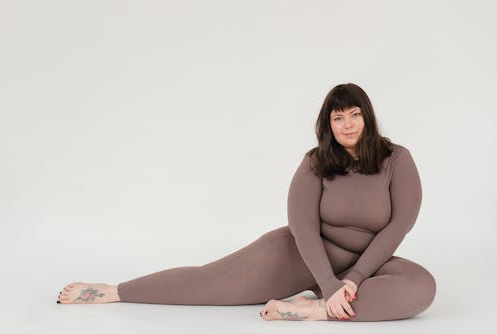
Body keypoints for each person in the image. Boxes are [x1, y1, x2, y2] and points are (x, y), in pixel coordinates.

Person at [56, 83, 436, 322]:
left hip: (367, 264)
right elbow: (302, 227)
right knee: (208, 282)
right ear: (329, 125)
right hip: (302, 257)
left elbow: (399, 224)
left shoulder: (397, 158)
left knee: (421, 287)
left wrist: (349, 281)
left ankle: (317, 309)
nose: (349, 124)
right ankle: (112, 291)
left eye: (355, 115)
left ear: (367, 117)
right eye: (339, 118)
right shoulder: (316, 162)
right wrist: (326, 280)